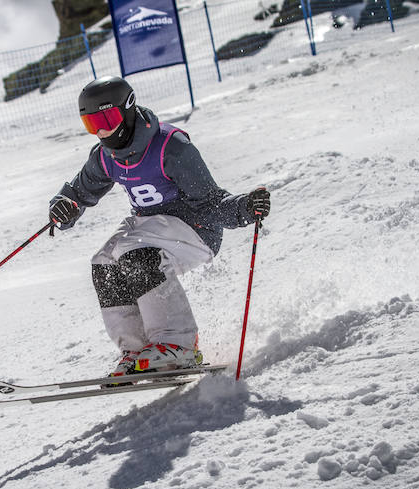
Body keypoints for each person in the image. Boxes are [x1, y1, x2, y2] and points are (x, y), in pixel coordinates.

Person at [49, 75, 270, 379]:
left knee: (134, 252)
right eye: (91, 124)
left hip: (196, 229)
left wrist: (243, 207)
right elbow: (79, 192)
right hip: (151, 227)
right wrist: (64, 207)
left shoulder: (170, 146)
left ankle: (178, 345)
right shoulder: (106, 156)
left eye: (106, 119)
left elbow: (210, 201)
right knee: (104, 262)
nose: (101, 131)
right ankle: (138, 349)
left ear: (127, 109)